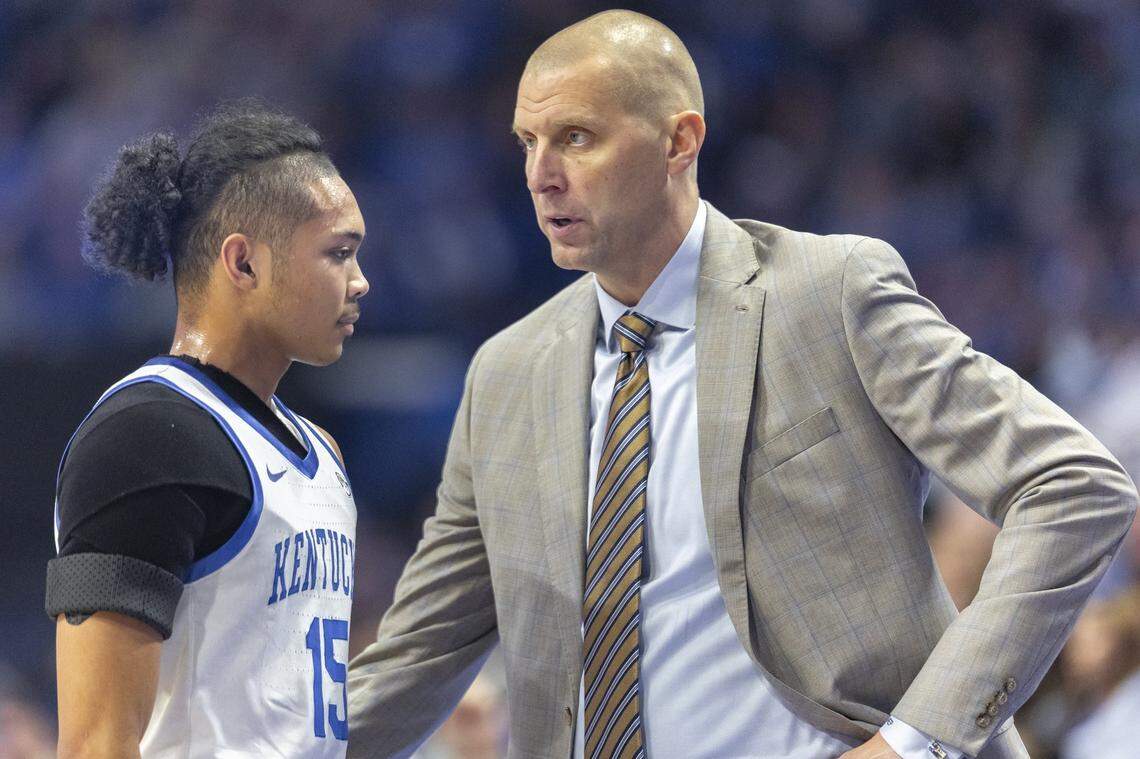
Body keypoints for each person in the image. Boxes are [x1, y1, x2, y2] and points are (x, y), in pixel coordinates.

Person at [347, 10, 1136, 759]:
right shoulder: (506, 374)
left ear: (679, 141)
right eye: (527, 142)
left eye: (576, 137)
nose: (541, 175)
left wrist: (916, 739)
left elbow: (1075, 485)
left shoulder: (829, 293)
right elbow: (419, 654)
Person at [47, 102, 369, 757]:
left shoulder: (322, 451)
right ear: (243, 262)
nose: (361, 282)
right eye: (338, 253)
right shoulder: (145, 438)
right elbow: (96, 742)